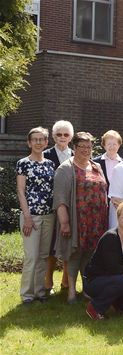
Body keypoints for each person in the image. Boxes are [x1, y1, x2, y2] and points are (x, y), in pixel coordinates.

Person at [53, 132, 108, 304]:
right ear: (74, 147)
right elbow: (60, 199)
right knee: (74, 254)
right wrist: (64, 223)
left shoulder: (96, 166)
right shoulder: (65, 168)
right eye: (82, 146)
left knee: (90, 255)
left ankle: (86, 289)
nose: (86, 150)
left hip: (96, 221)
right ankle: (70, 291)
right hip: (77, 220)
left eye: (89, 147)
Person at [16, 127, 56, 304]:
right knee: (31, 257)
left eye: (42, 139)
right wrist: (27, 217)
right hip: (30, 216)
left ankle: (40, 292)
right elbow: (20, 191)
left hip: (48, 216)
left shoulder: (50, 164)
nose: (39, 142)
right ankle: (27, 295)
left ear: (47, 142)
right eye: (35, 139)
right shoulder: (23, 163)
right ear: (29, 142)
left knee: (42, 257)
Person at [43, 120, 74, 294]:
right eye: (59, 134)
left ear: (70, 137)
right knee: (51, 245)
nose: (62, 137)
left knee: (68, 244)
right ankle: (47, 281)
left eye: (66, 134)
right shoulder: (46, 155)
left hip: (70, 207)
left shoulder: (76, 155)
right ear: (54, 136)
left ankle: (65, 281)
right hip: (50, 207)